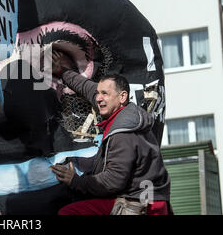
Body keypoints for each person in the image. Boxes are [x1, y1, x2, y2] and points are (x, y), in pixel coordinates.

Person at [50, 51, 171, 215]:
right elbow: (88, 88)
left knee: (68, 213)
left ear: (122, 97)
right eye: (98, 93)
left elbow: (112, 182)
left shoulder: (123, 133)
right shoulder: (125, 112)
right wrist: (62, 71)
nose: (98, 98)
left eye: (104, 94)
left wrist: (75, 180)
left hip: (141, 204)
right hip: (146, 199)